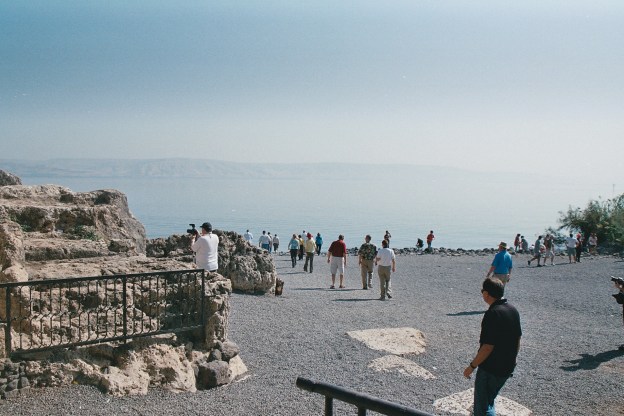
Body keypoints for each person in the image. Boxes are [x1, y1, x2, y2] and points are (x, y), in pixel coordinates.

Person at [463, 277, 522, 416]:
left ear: (486, 293)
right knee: (489, 400)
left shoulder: (493, 313)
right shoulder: (512, 309)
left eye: (482, 291)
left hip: (491, 368)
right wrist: (513, 359)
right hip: (506, 367)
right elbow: (518, 338)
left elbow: (487, 347)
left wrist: (471, 366)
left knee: (482, 408)